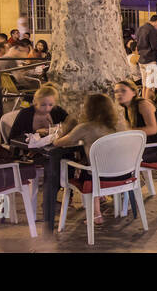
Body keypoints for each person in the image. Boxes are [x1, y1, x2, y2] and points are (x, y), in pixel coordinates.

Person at [51, 93, 124, 222]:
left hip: (98, 177)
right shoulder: (119, 125)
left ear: (88, 109)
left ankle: (96, 214)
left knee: (80, 167)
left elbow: (58, 143)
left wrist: (67, 126)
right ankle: (103, 199)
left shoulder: (84, 128)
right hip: (123, 174)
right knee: (89, 162)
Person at [113, 81, 157, 162]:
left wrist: (127, 132)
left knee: (118, 157)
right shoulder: (127, 108)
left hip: (154, 149)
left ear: (134, 93)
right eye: (116, 92)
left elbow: (153, 129)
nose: (119, 94)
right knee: (112, 152)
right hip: (141, 145)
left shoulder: (143, 104)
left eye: (123, 91)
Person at [135, 14, 157, 103]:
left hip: (142, 59)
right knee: (150, 87)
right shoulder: (152, 30)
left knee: (144, 86)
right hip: (150, 60)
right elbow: (154, 46)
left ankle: (142, 105)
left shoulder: (140, 28)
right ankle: (147, 106)